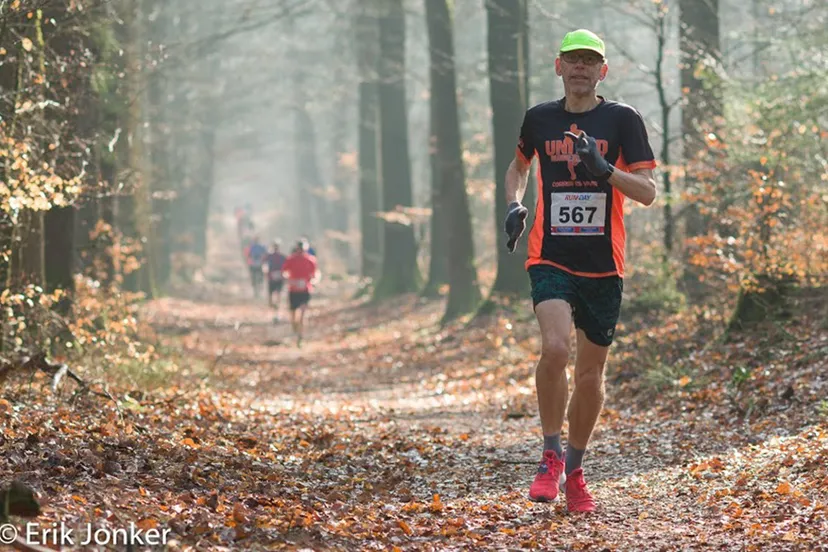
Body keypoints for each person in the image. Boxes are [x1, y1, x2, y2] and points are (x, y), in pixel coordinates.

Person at [503, 29, 657, 512]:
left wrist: (605, 170)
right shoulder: (540, 118)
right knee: (554, 347)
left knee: (590, 374)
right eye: (573, 60)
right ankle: (549, 455)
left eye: (590, 62)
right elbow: (519, 166)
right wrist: (513, 203)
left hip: (603, 264)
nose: (581, 69)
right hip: (550, 255)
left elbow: (649, 191)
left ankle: (575, 468)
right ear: (559, 66)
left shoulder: (622, 120)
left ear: (602, 72)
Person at [281, 240, 320, 347]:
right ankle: (295, 328)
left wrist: (314, 281)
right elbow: (284, 271)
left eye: (303, 249)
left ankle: (300, 336)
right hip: (293, 291)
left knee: (302, 315)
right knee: (293, 315)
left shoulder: (311, 260)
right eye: (299, 249)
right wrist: (288, 279)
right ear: (296, 249)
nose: (301, 251)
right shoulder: (291, 259)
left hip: (305, 290)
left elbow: (315, 274)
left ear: (306, 249)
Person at [265, 239, 288, 319]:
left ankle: (274, 304)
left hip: (273, 276)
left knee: (273, 292)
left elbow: (264, 264)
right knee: (277, 292)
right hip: (276, 276)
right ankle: (275, 304)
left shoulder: (269, 256)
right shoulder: (282, 256)